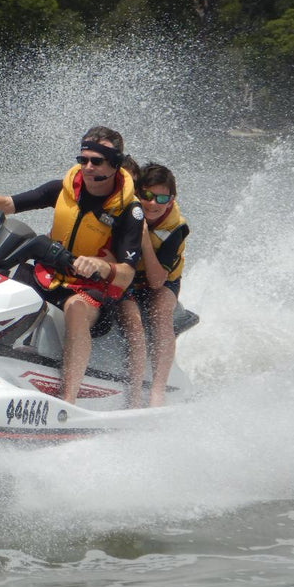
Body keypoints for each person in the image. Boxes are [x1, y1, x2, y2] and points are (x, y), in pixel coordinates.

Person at [0, 126, 144, 404]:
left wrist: (100, 266)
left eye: (96, 161)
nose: (88, 167)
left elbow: (126, 275)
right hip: (50, 272)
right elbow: (9, 203)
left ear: (115, 164)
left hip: (93, 287)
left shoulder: (129, 211)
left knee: (76, 308)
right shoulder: (62, 189)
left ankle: (68, 400)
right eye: (83, 160)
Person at [117, 163, 189, 408]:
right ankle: (134, 396)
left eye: (162, 198)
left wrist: (145, 239)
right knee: (132, 321)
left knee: (160, 311)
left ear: (171, 200)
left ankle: (158, 391)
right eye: (147, 195)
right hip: (128, 279)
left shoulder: (175, 228)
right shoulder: (124, 211)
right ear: (137, 193)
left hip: (163, 281)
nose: (153, 204)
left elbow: (157, 281)